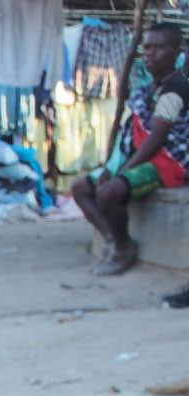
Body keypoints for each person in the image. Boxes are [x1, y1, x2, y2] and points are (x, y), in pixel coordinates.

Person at [72, 23, 189, 276]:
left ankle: (124, 248)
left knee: (108, 193)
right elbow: (130, 135)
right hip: (142, 158)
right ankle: (113, 240)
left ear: (176, 52)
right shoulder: (148, 89)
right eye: (147, 47)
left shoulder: (176, 88)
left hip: (166, 163)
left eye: (159, 48)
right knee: (80, 188)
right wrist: (112, 166)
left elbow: (157, 138)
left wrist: (122, 170)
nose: (150, 53)